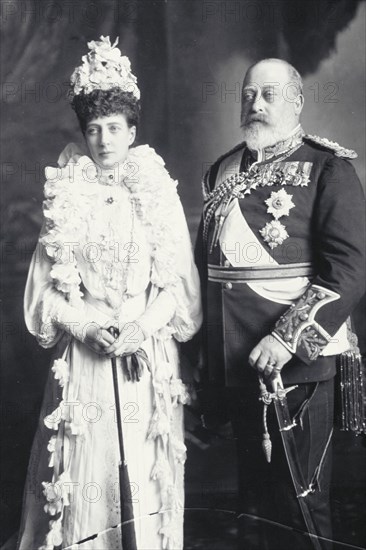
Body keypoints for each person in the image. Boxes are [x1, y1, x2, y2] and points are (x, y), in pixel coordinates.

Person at [17, 36, 202, 550]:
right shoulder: (67, 194)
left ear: (132, 131)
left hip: (146, 354)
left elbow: (176, 283)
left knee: (144, 473)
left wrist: (140, 328)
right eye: (93, 129)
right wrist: (88, 328)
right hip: (87, 359)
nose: (103, 140)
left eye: (114, 128)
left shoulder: (156, 189)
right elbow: (43, 299)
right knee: (87, 472)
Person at [196, 58, 365, 549]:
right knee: (254, 507)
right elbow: (210, 272)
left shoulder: (327, 168)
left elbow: (349, 271)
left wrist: (286, 337)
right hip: (235, 363)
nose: (256, 104)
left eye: (270, 94)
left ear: (296, 101)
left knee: (300, 504)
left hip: (296, 366)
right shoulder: (222, 169)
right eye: (249, 94)